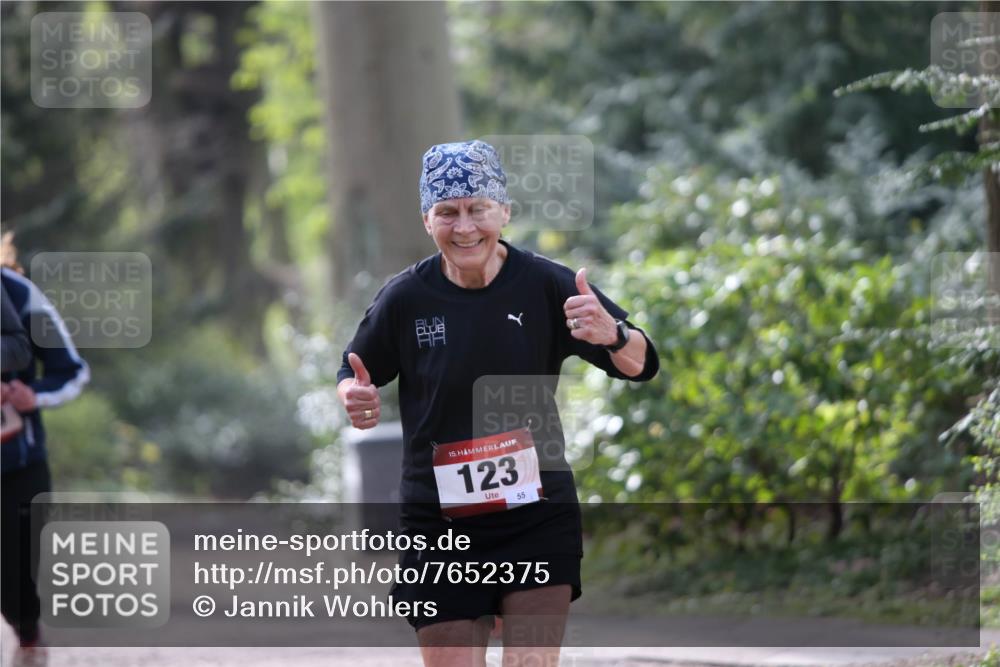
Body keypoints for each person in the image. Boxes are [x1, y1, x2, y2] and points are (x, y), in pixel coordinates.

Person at [337, 139, 658, 667]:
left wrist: (613, 335)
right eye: (448, 213)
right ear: (427, 220)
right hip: (438, 523)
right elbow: (352, 371)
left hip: (536, 516)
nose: (464, 227)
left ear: (503, 211)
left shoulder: (549, 285)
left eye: (477, 209)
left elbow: (644, 364)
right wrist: (355, 398)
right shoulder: (405, 299)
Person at [1, 236, 90, 667]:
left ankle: (29, 636)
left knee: (15, 578)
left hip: (17, 465)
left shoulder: (19, 295)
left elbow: (71, 371)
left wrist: (30, 395)